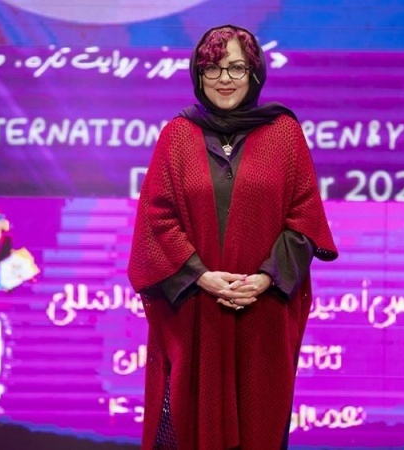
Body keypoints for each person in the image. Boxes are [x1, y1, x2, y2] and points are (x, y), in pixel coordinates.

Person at [127, 24, 338, 450]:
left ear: (254, 72)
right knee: (191, 423)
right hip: (196, 309)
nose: (225, 78)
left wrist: (264, 279)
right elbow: (157, 217)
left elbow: (304, 218)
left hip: (263, 309)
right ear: (198, 74)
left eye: (236, 68)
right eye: (213, 68)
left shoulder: (283, 133)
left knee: (261, 423)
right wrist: (201, 276)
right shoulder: (177, 134)